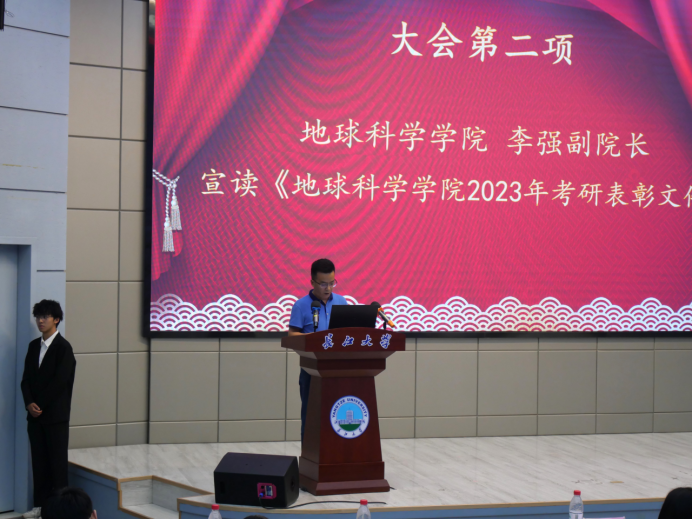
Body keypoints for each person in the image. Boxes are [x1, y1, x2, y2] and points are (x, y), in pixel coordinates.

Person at [20, 300, 77, 520]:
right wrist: (29, 403)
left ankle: (60, 512)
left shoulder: (64, 348)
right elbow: (26, 379)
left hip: (55, 418)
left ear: (56, 319)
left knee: (57, 466)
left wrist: (39, 404)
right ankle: (40, 507)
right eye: (38, 316)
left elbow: (59, 382)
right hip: (35, 418)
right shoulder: (33, 346)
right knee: (39, 464)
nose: (40, 321)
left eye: (45, 317)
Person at [288, 259, 347, 442]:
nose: (328, 288)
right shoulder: (301, 305)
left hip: (337, 369)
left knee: (337, 416)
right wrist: (313, 339)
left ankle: (335, 453)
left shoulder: (342, 302)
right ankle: (309, 454)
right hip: (311, 370)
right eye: (323, 284)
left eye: (332, 283)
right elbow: (292, 335)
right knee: (311, 417)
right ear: (312, 282)